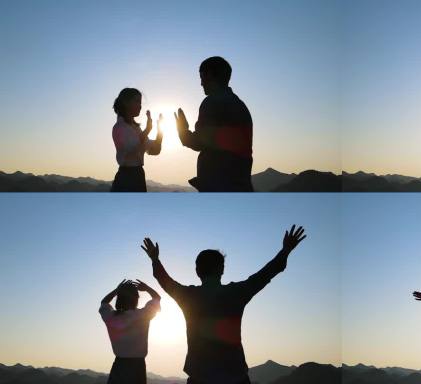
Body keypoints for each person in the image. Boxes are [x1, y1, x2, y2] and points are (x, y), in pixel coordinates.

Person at [140, 225, 307, 384]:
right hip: (235, 377)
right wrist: (285, 250)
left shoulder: (188, 296)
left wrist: (155, 259)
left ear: (197, 271)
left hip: (200, 377)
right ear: (222, 270)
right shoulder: (237, 293)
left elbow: (164, 280)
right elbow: (265, 274)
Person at [175, 56, 254, 192]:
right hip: (240, 182)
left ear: (210, 75)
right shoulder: (240, 105)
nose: (201, 83)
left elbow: (199, 142)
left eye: (202, 77)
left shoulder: (212, 102)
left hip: (219, 185)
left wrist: (182, 130)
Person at [99, 279, 161, 384]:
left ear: (119, 299)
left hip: (119, 366)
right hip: (138, 367)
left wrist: (116, 290)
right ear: (136, 299)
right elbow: (157, 298)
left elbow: (104, 303)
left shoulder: (112, 318)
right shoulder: (143, 315)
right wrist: (146, 288)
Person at [111, 88, 163, 192]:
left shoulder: (137, 129)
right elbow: (130, 147)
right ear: (126, 103)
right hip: (126, 179)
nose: (140, 105)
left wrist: (160, 130)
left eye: (140, 102)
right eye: (137, 101)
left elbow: (154, 150)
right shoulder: (118, 128)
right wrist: (147, 131)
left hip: (138, 177)